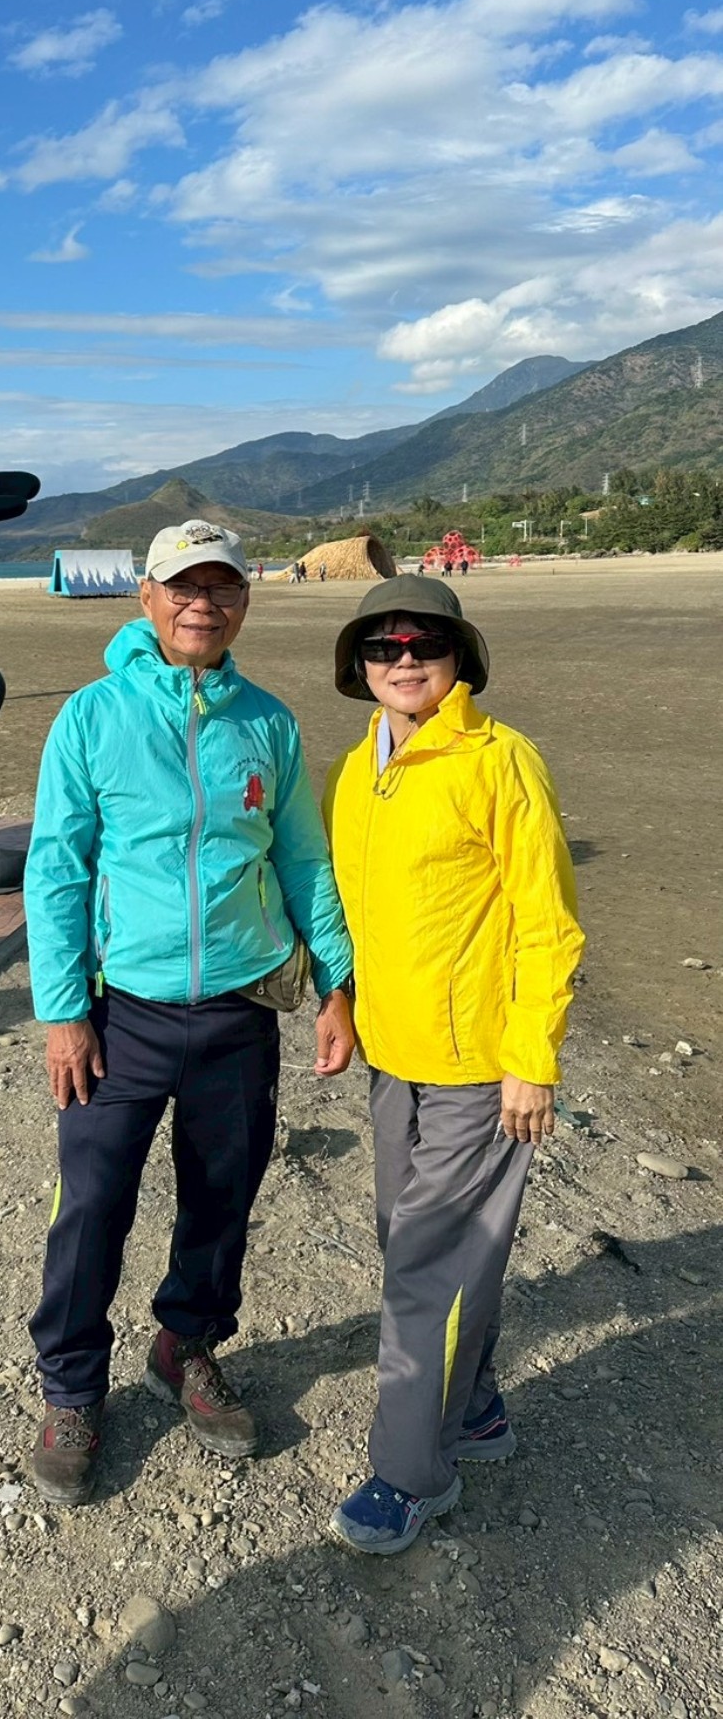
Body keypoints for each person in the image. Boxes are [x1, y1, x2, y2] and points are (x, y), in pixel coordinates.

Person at [24, 519, 356, 1505]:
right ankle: (73, 1388)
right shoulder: (93, 716)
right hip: (120, 1011)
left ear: (243, 600)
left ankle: (186, 1344)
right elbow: (57, 866)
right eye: (183, 586)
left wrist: (336, 985)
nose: (201, 604)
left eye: (220, 587)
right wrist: (61, 1011)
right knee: (91, 1204)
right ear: (148, 598)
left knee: (222, 1194)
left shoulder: (268, 722)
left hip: (240, 1006)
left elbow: (301, 858)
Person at [322, 575, 583, 1554]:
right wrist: (339, 1005)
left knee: (425, 1266)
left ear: (459, 656)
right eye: (382, 645)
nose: (403, 660)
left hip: (480, 1065)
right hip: (394, 1056)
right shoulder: (357, 770)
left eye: (424, 643)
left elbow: (548, 923)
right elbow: (351, 910)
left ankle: (410, 1473)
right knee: (412, 1241)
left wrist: (531, 1058)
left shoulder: (500, 760)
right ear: (358, 664)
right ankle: (472, 1408)